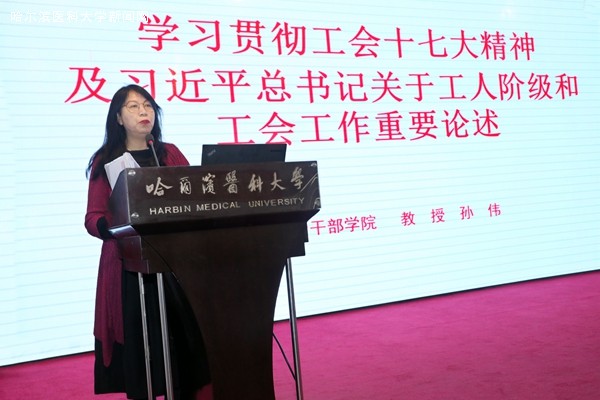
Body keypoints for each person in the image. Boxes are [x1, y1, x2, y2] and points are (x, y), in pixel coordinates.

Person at [85, 84, 211, 399]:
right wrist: (115, 225)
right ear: (118, 117)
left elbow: (195, 195)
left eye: (148, 106)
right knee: (143, 345)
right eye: (133, 106)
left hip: (175, 263)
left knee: (182, 344)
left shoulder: (168, 153)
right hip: (129, 266)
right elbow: (93, 217)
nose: (144, 112)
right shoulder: (106, 160)